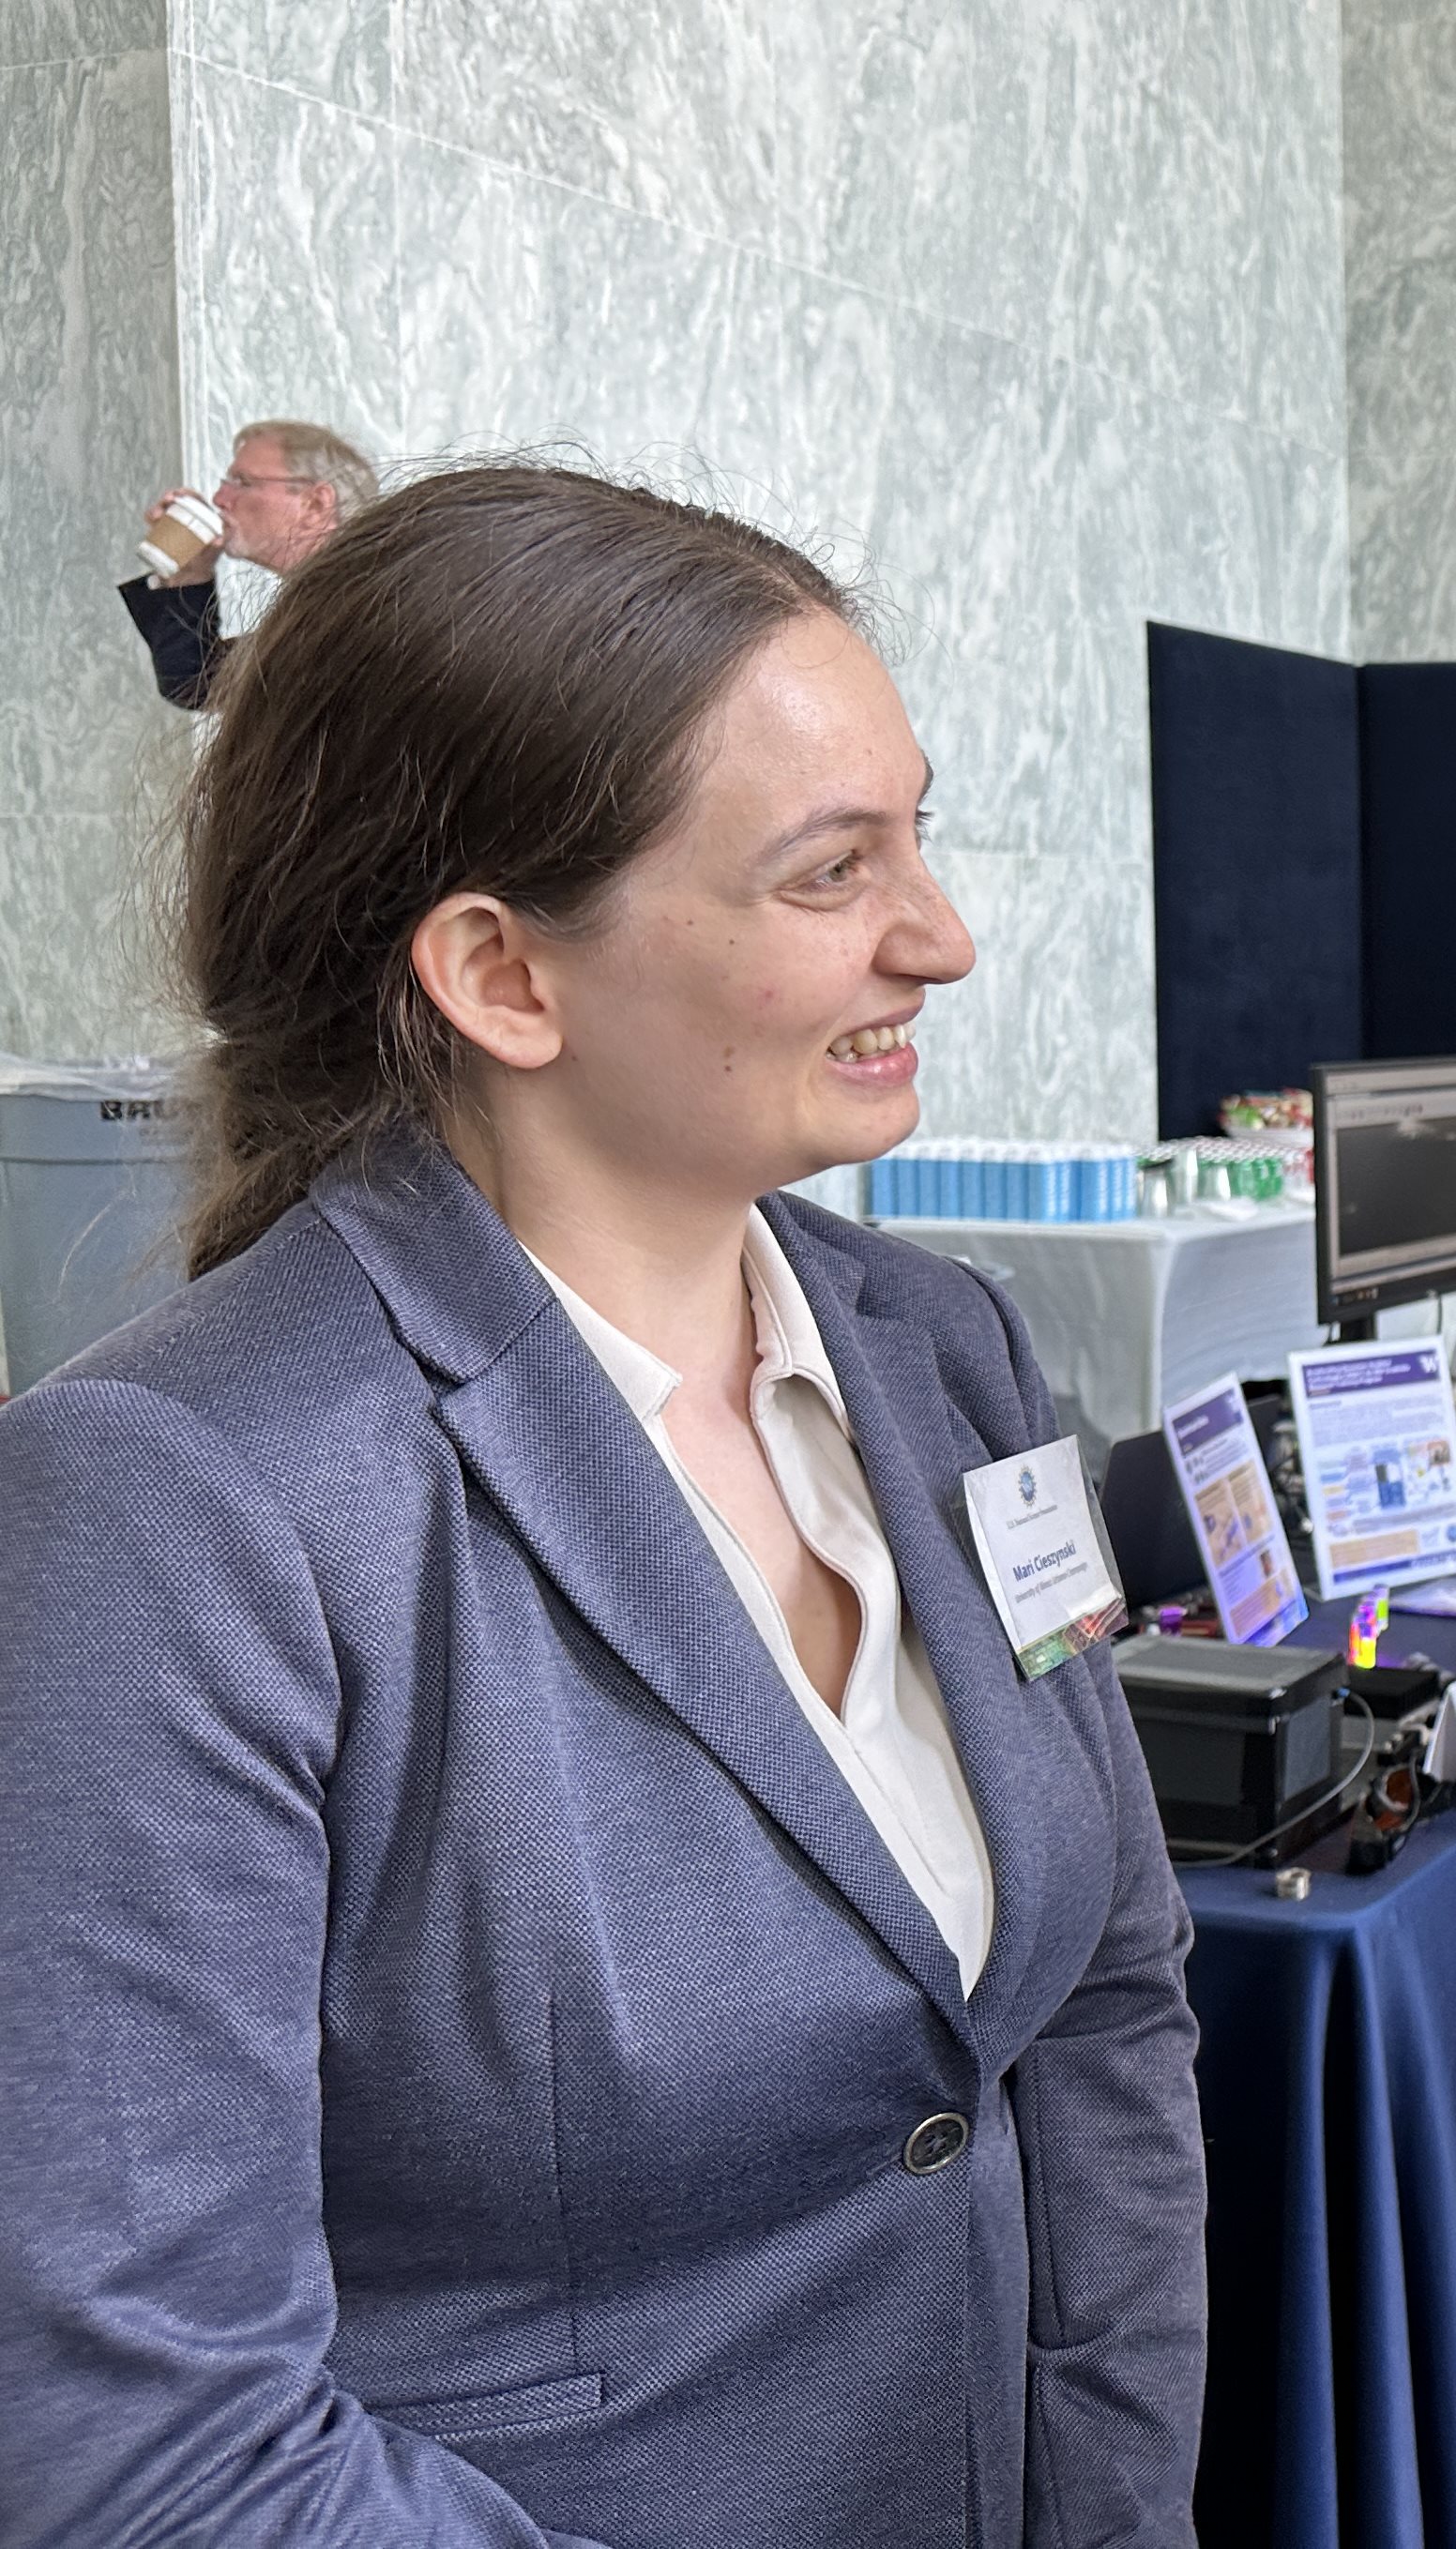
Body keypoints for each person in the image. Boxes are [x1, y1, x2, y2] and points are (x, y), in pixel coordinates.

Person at [0, 465, 1208, 2547]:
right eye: (835, 870)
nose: (944, 933)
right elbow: (157, 2452)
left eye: (919, 832)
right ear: (502, 970)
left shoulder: (955, 1358)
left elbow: (1102, 1991)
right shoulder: (182, 1506)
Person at [118, 417, 375, 708]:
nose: (219, 498)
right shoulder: (327, 601)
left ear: (316, 505)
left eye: (242, 482)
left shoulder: (361, 610)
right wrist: (190, 572)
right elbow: (195, 683)